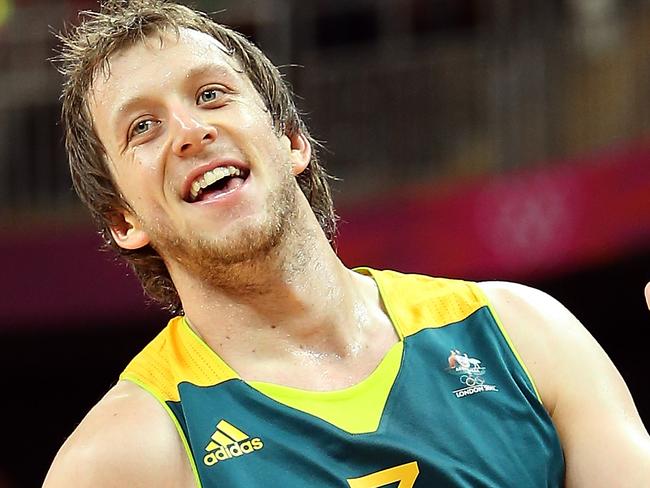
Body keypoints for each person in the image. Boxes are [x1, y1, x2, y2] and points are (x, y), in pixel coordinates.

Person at [44, 1, 650, 486]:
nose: (191, 132)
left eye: (211, 94)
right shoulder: (125, 456)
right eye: (142, 127)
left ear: (291, 140)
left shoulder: (522, 333)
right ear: (124, 221)